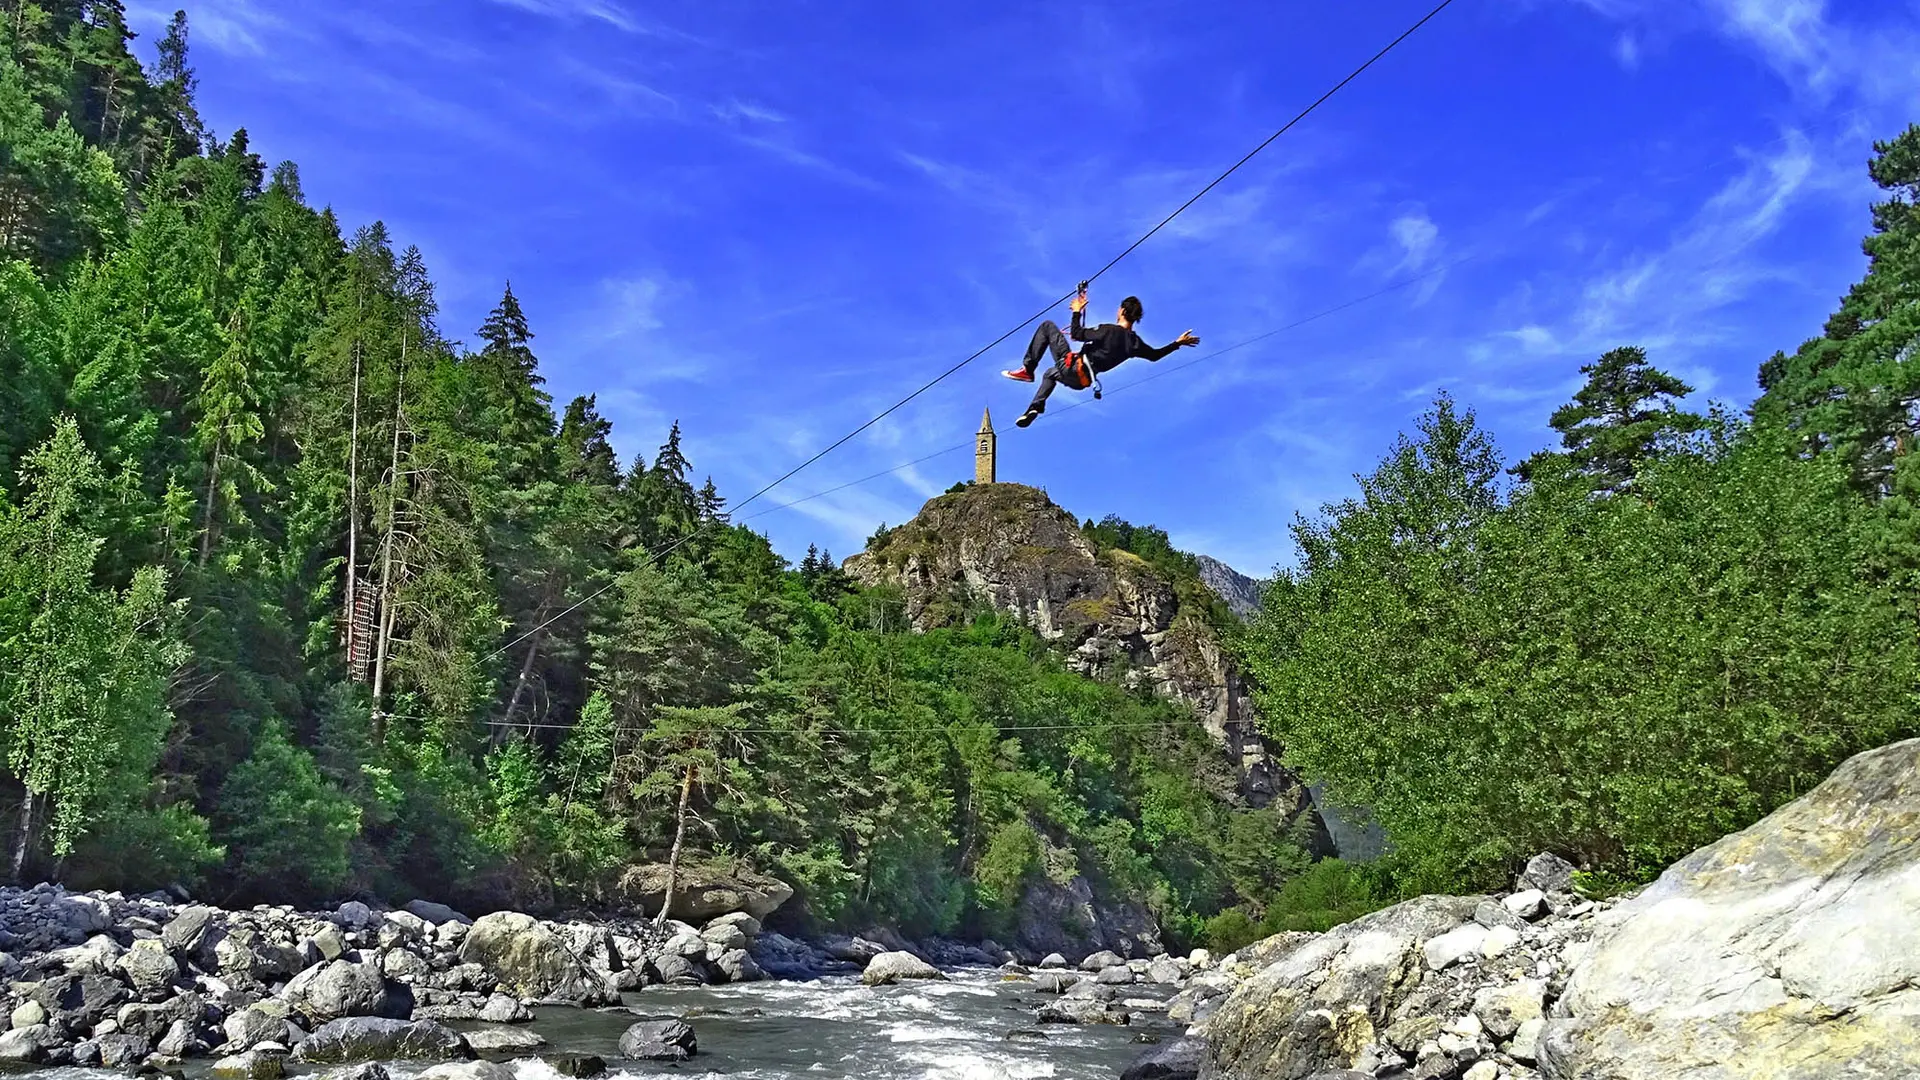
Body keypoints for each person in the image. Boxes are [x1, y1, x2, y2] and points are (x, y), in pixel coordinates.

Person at [1003, 287, 1199, 427]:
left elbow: (1077, 333)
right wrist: (1177, 344)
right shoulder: (1134, 343)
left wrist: (1077, 311)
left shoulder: (1109, 330)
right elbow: (1155, 356)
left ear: (1122, 311)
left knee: (1047, 326)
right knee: (1049, 374)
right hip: (1082, 381)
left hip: (1073, 367)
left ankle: (1028, 370)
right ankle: (1034, 408)